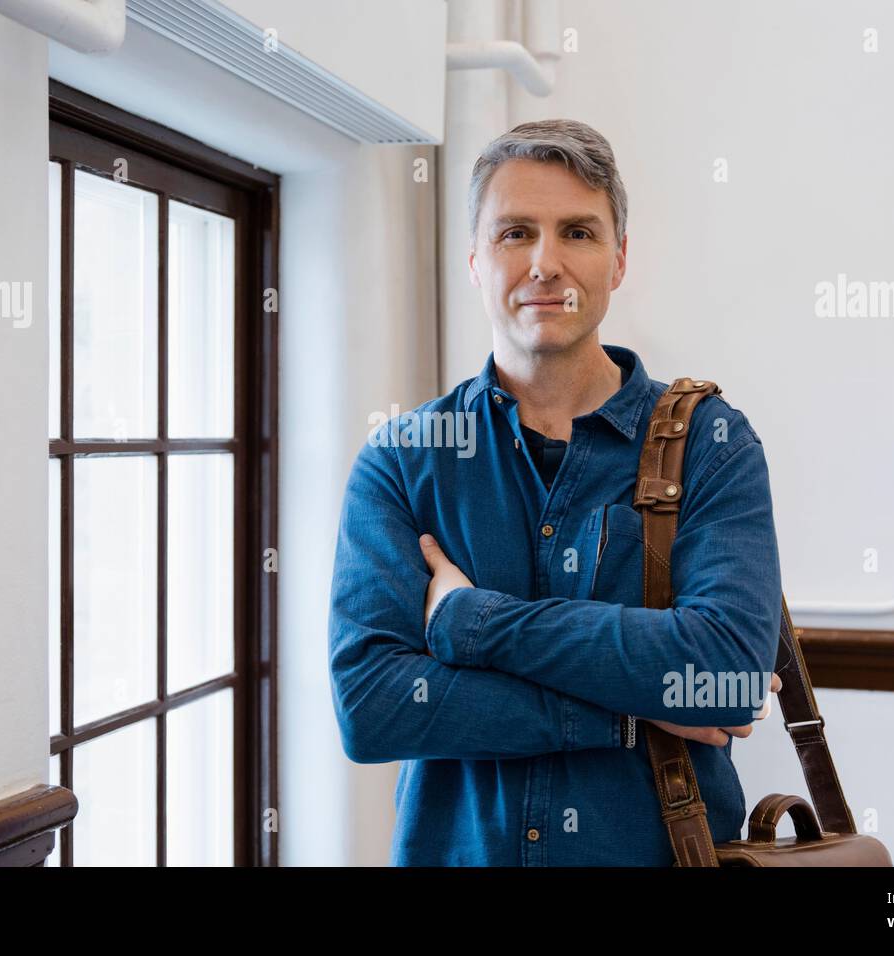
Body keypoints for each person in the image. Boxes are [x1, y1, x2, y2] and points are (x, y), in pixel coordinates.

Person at [327, 119, 783, 866]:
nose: (546, 263)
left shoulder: (711, 442)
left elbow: (726, 677)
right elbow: (373, 706)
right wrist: (627, 717)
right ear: (474, 260)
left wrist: (473, 623)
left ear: (618, 260)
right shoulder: (403, 458)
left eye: (577, 232)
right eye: (514, 234)